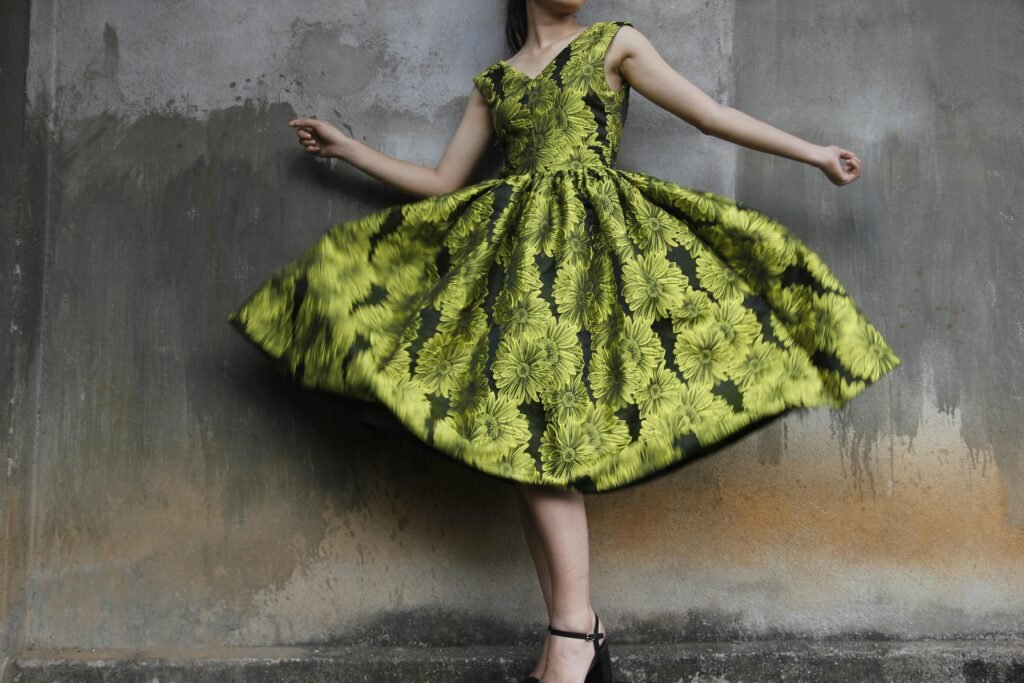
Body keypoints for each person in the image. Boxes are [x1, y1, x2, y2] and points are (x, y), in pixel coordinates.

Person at [227, 1, 901, 681]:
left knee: (544, 445)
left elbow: (707, 113)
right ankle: (579, 634)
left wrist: (813, 153)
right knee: (523, 445)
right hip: (516, 270)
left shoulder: (616, 44)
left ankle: (572, 636)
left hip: (596, 264)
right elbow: (441, 183)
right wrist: (350, 148)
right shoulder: (497, 82)